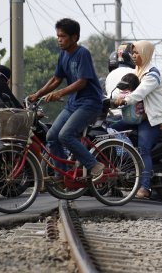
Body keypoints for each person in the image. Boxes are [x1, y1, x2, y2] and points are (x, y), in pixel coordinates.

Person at [26, 18, 105, 181]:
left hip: (89, 103)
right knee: (52, 136)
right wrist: (37, 94)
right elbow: (56, 79)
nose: (59, 40)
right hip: (73, 104)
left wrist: (59, 93)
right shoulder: (63, 55)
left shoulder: (82, 53)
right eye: (58, 36)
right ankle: (61, 175)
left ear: (74, 37)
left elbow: (82, 82)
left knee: (65, 135)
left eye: (62, 36)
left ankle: (93, 164)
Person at [112, 40, 162, 198]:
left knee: (144, 149)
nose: (134, 56)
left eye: (137, 53)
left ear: (145, 54)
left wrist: (125, 100)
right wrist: (112, 99)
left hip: (149, 118)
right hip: (135, 117)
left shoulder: (152, 74)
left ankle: (145, 187)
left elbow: (139, 93)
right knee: (110, 129)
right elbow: (126, 89)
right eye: (133, 53)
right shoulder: (137, 71)